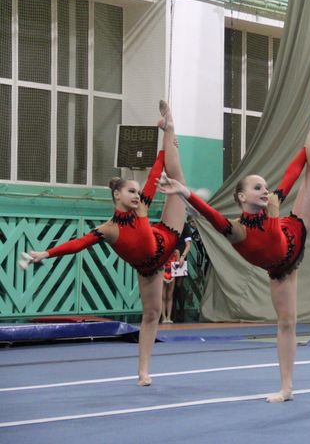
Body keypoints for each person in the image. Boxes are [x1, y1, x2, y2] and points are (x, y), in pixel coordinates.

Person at [158, 73, 310, 403]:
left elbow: (295, 170)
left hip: (294, 233)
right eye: (256, 187)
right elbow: (211, 217)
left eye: (264, 186)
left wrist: (308, 149)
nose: (265, 189)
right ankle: (287, 387)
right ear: (241, 198)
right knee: (287, 323)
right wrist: (184, 192)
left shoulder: (273, 203)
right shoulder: (237, 229)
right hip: (280, 268)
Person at [22, 101, 187, 386]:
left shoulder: (143, 205)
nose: (137, 195)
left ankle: (170, 124)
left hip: (166, 236)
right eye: (131, 192)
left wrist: (165, 138)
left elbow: (156, 169)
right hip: (149, 267)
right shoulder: (109, 229)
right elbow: (77, 244)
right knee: (151, 315)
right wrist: (45, 253)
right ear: (116, 196)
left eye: (137, 191)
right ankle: (143, 371)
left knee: (178, 181)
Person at [173, 217, 196, 322]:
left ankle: (181, 312)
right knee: (169, 287)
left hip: (181, 258)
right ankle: (170, 314)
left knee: (179, 285)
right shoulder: (169, 224)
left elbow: (188, 245)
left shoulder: (185, 226)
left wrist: (183, 256)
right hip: (170, 258)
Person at [161, 248, 178, 323]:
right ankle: (163, 317)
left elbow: (177, 265)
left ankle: (168, 317)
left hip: (172, 274)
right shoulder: (162, 250)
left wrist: (173, 276)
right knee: (163, 296)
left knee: (170, 296)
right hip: (162, 273)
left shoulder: (176, 251)